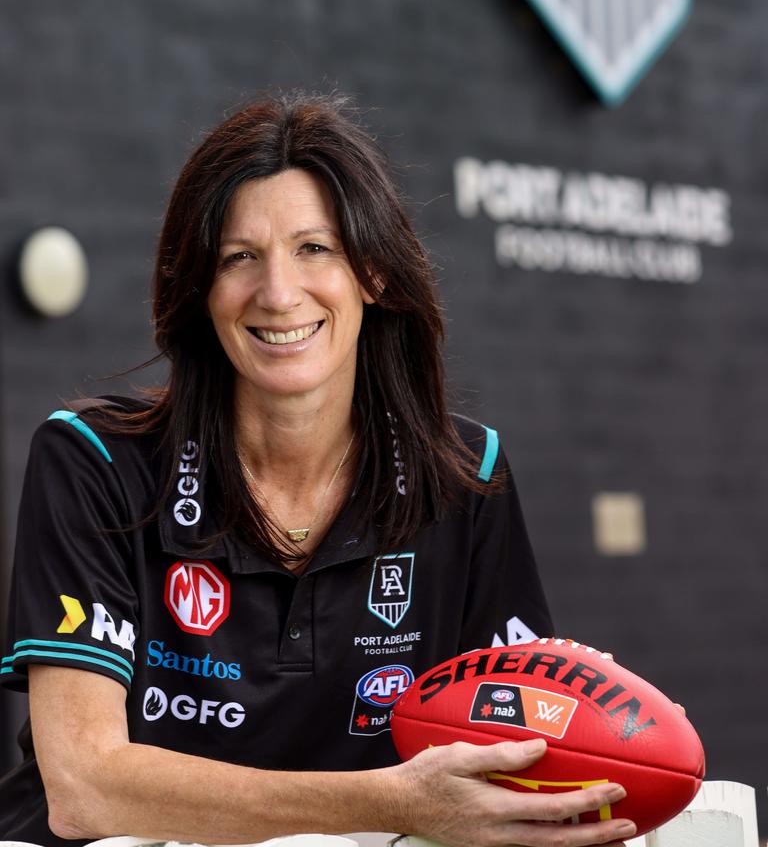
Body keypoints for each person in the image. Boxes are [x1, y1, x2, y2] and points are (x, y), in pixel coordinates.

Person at [0, 93, 636, 847]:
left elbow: (518, 743)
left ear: (372, 271)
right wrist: (390, 803)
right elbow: (83, 787)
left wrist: (606, 722)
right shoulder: (93, 460)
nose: (277, 293)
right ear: (201, 289)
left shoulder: (465, 474)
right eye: (240, 257)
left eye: (315, 248)